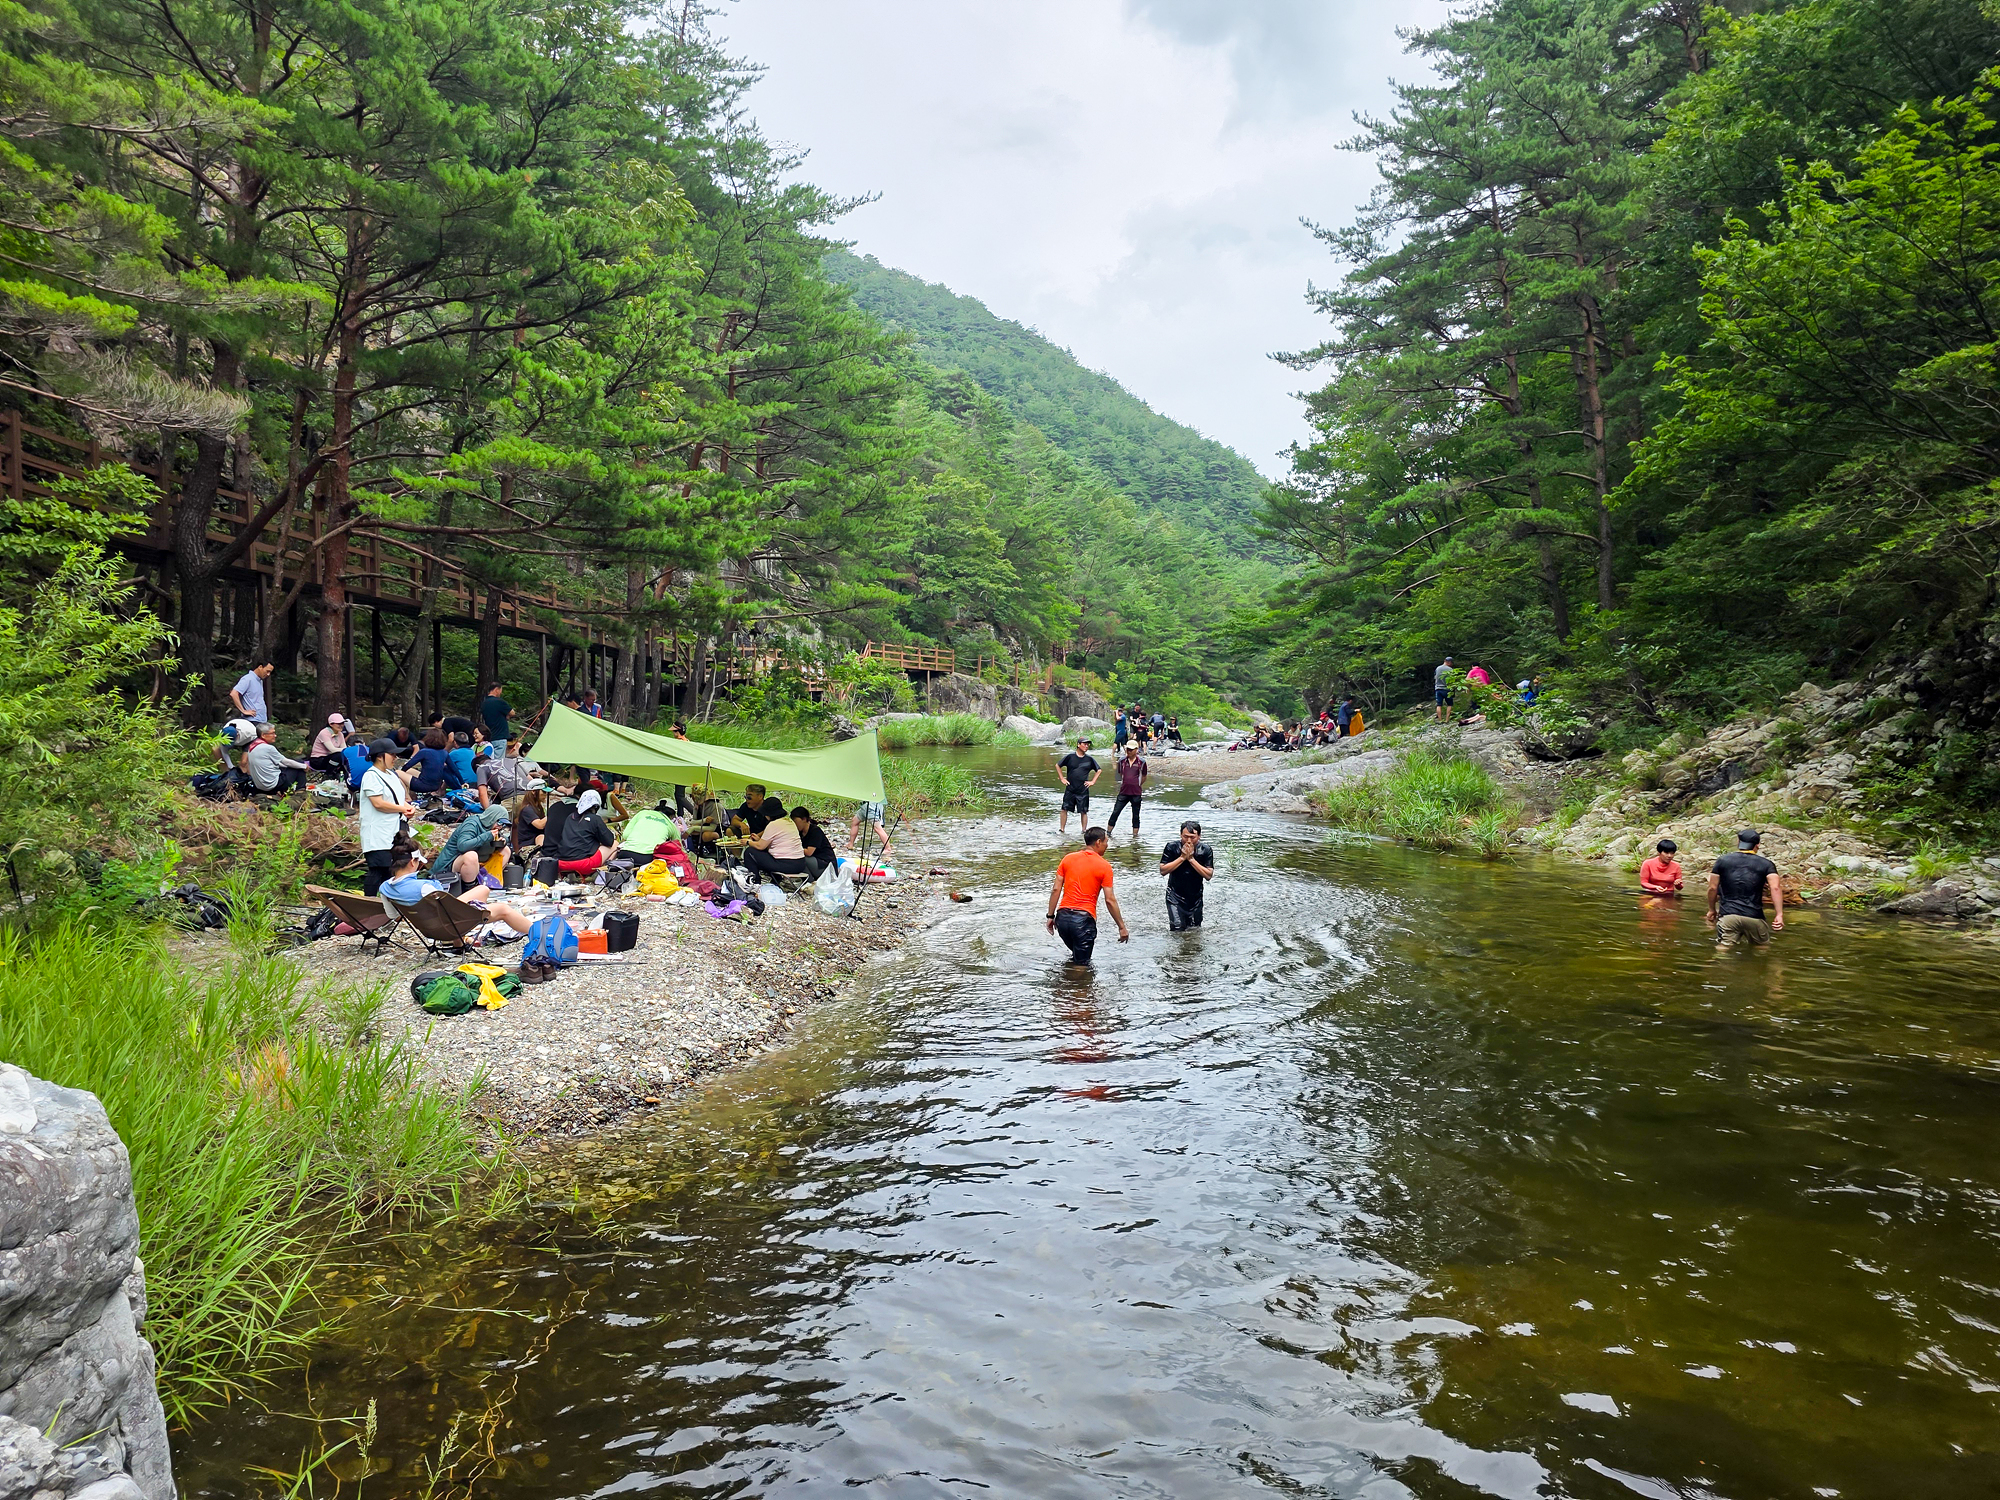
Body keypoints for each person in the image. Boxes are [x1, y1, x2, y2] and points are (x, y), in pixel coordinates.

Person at [378, 836, 531, 934]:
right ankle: (537, 933)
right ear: (413, 862)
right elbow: (448, 912)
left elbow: (393, 916)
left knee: (483, 889)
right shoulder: (424, 887)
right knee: (503, 909)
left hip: (427, 926)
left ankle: (460, 943)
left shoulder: (385, 887)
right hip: (447, 928)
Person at [1045, 827, 1129, 966]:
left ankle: (1065, 979)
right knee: (1082, 966)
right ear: (1098, 842)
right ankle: (1077, 980)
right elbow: (1110, 900)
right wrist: (1121, 927)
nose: (1107, 845)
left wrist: (1050, 916)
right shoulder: (1104, 866)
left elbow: (1055, 889)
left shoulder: (1068, 859)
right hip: (1083, 922)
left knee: (1076, 958)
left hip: (1062, 919)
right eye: (1106, 842)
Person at [1707, 829, 1785, 946]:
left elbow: (1713, 888)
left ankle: (1719, 957)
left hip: (1728, 915)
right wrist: (1779, 914)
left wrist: (1712, 909)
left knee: (1723, 947)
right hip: (1754, 916)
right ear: (1757, 845)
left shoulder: (1722, 861)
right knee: (1761, 947)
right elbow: (1775, 888)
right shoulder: (1767, 864)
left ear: (1739, 842)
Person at [358, 740, 416, 896]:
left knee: (391, 870)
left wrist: (408, 808)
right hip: (377, 832)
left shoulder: (391, 775)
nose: (395, 757)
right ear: (379, 756)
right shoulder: (371, 776)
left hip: (393, 831)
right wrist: (402, 809)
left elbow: (397, 799)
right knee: (377, 869)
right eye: (392, 754)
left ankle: (387, 904)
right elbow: (378, 803)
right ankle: (368, 903)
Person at [429, 804, 512, 887]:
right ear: (491, 818)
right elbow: (463, 846)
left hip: (480, 863)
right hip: (451, 865)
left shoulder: (493, 828)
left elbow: (501, 838)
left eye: (504, 825)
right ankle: (469, 886)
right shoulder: (472, 824)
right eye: (499, 822)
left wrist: (503, 840)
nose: (500, 827)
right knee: (471, 856)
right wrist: (486, 836)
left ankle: (487, 881)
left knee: (505, 850)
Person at [1159, 819, 1215, 931]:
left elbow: (1208, 875)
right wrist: (1182, 858)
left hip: (1195, 898)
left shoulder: (1205, 850)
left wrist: (1191, 859)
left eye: (1192, 837)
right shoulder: (1172, 847)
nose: (1189, 841)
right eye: (1185, 837)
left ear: (1199, 836)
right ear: (1180, 835)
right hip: (1174, 895)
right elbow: (1163, 870)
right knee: (1177, 928)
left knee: (1194, 930)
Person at [741, 803, 814, 879]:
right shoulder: (790, 822)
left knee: (749, 851)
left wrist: (748, 842)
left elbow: (760, 846)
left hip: (785, 864)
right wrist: (759, 840)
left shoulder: (773, 824)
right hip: (800, 863)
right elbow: (778, 843)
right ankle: (776, 881)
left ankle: (754, 880)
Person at [556, 788, 617, 875]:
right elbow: (609, 841)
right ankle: (603, 872)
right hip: (583, 864)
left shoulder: (570, 817)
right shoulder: (595, 819)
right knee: (615, 844)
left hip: (561, 863)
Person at [244, 724, 312, 795]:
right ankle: (301, 792)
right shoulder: (268, 748)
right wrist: (304, 766)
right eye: (272, 733)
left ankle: (289, 792)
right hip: (272, 785)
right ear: (263, 735)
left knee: (295, 765)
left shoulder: (252, 746)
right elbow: (286, 762)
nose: (275, 735)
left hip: (260, 786)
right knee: (300, 763)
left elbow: (278, 763)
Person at [1056, 737, 1100, 836]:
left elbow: (1099, 770)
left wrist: (1092, 781)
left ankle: (1084, 831)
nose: (1086, 746)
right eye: (1084, 744)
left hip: (1083, 789)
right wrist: (1062, 778)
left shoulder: (1089, 759)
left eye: (1088, 744)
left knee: (1084, 811)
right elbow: (1058, 765)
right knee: (1064, 808)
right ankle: (1062, 829)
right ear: (1078, 745)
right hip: (1070, 788)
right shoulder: (1070, 757)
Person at [1106, 740, 1148, 834]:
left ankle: (1135, 836)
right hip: (1123, 792)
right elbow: (1120, 774)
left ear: (1136, 750)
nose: (1129, 751)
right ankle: (1108, 832)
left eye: (1131, 750)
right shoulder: (1122, 761)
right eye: (1128, 749)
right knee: (1115, 812)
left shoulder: (1141, 762)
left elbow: (1144, 776)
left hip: (1136, 793)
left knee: (1136, 815)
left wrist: (1137, 784)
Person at [791, 806, 838, 876]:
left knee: (801, 860)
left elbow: (809, 852)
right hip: (815, 862)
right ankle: (809, 879)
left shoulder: (815, 831)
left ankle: (810, 880)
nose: (794, 824)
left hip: (825, 865)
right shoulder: (800, 833)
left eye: (795, 821)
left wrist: (793, 849)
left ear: (804, 819)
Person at [404, 729, 450, 795]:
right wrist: (462, 783)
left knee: (398, 772)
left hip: (423, 785)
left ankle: (407, 798)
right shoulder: (444, 753)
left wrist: (401, 771)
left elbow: (408, 765)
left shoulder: (424, 751)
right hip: (436, 785)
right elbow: (454, 769)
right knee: (409, 771)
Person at [513, 788, 549, 859]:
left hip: (536, 843)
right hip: (527, 847)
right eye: (544, 792)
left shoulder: (539, 809)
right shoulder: (527, 809)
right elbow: (540, 825)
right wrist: (552, 813)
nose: (545, 795)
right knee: (541, 837)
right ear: (533, 791)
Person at [1434, 656, 1455, 721]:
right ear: (1449, 662)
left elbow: (1435, 677)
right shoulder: (1450, 670)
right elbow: (1452, 680)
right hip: (1447, 689)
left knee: (1439, 705)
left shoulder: (1438, 668)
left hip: (1438, 689)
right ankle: (1447, 720)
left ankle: (1440, 720)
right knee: (1449, 704)